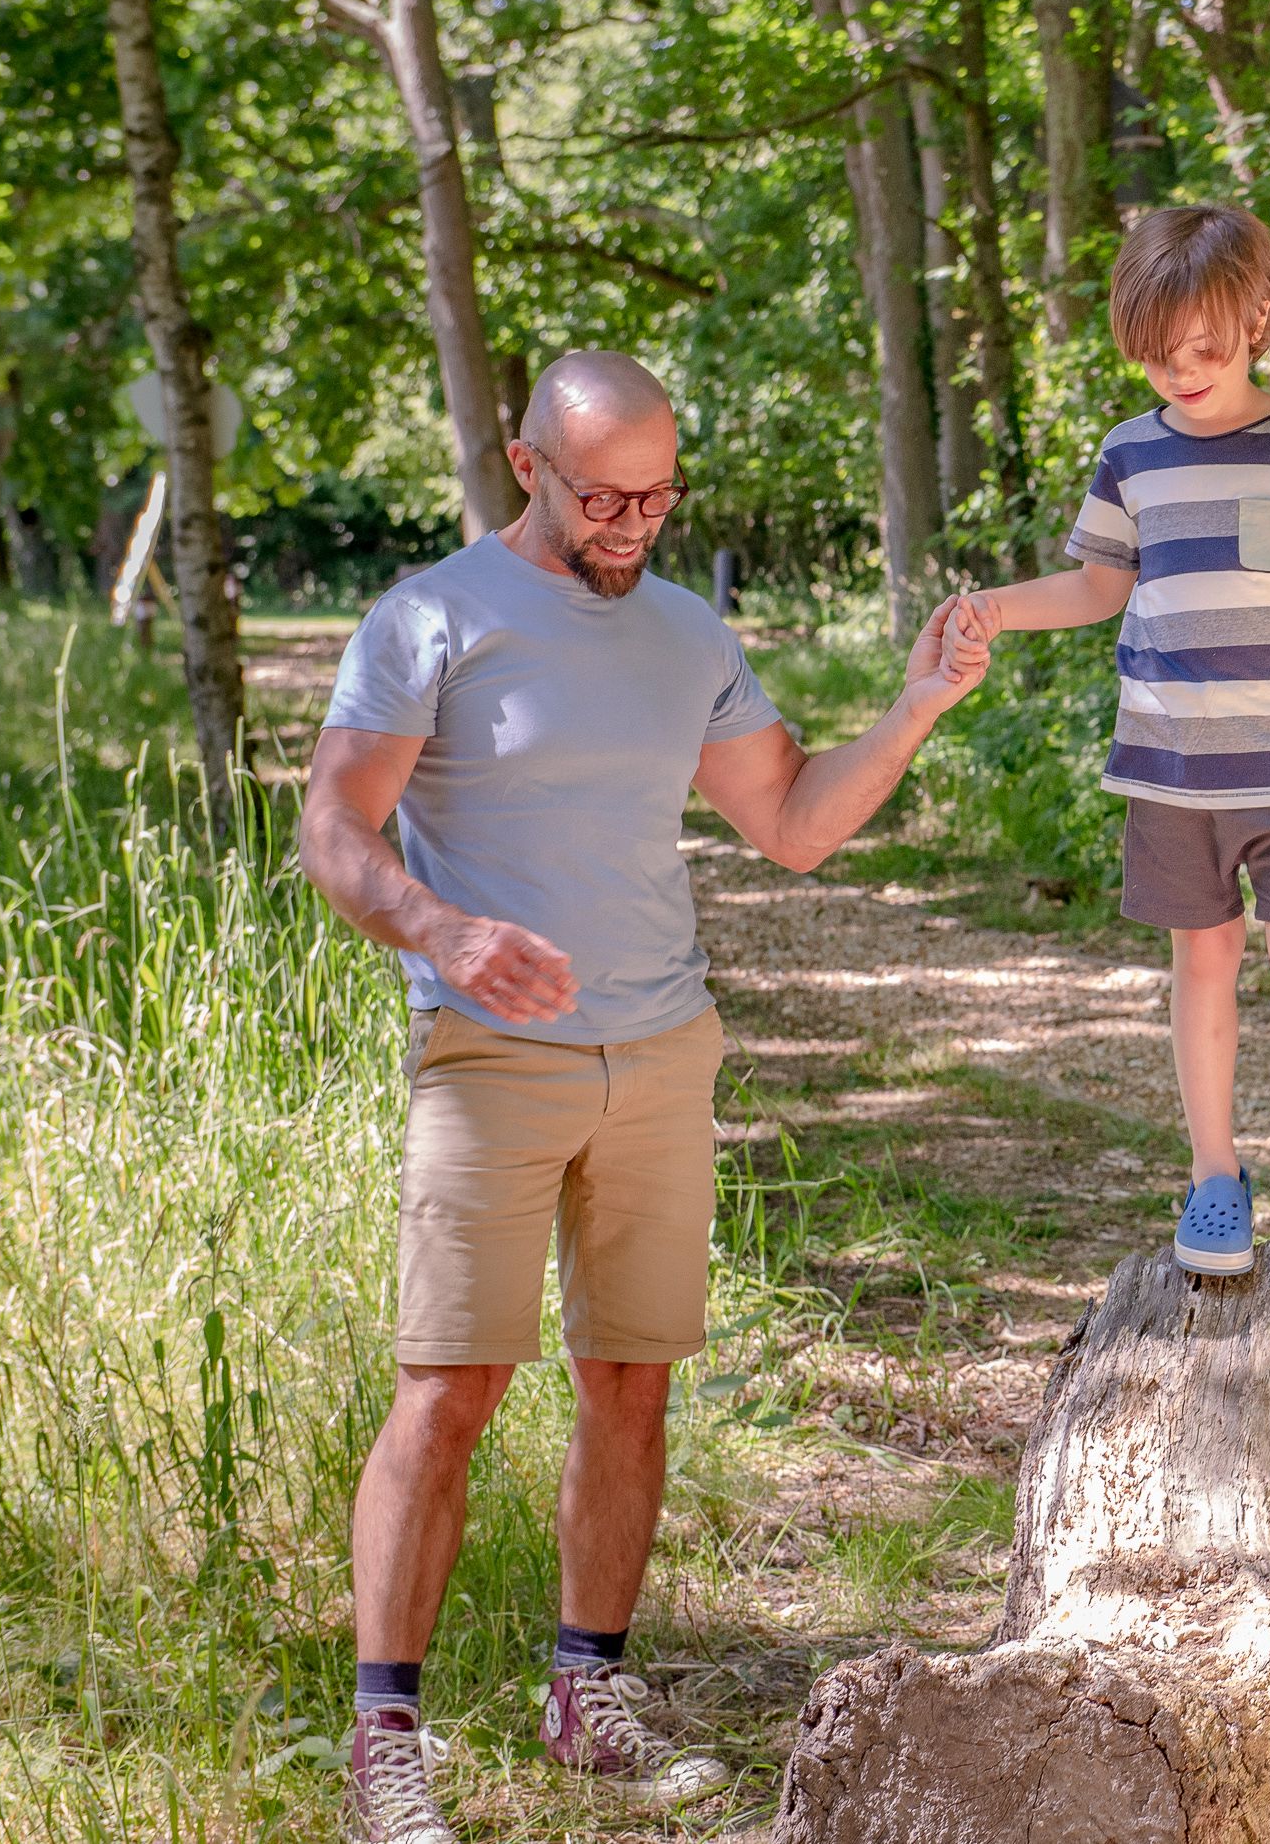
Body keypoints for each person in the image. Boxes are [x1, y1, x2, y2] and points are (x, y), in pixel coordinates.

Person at [298, 350, 993, 1844]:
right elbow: (335, 828)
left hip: (663, 1053)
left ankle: (587, 1699)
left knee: (631, 1381)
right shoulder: (430, 618)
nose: (630, 525)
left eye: (658, 498)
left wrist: (920, 704)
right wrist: (444, 931)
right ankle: (386, 1741)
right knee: (451, 1387)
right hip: (487, 1059)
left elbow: (795, 823)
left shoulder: (686, 634)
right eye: (603, 496)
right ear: (526, 462)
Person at [953, 203, 1270, 1305]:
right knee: (1201, 963)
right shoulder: (1130, 453)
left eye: (1202, 349)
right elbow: (1102, 585)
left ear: (1256, 318)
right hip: (1170, 771)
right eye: (1155, 356)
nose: (1180, 374)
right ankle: (1213, 1178)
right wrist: (994, 608)